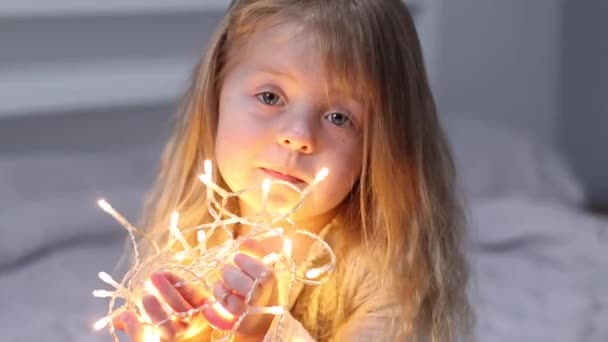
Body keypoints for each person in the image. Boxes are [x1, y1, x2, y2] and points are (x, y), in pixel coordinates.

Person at [113, 0, 471, 340]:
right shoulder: (190, 236)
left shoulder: (385, 275)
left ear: (383, 146)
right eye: (271, 97)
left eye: (339, 117)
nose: (298, 136)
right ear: (216, 94)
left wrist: (263, 332)